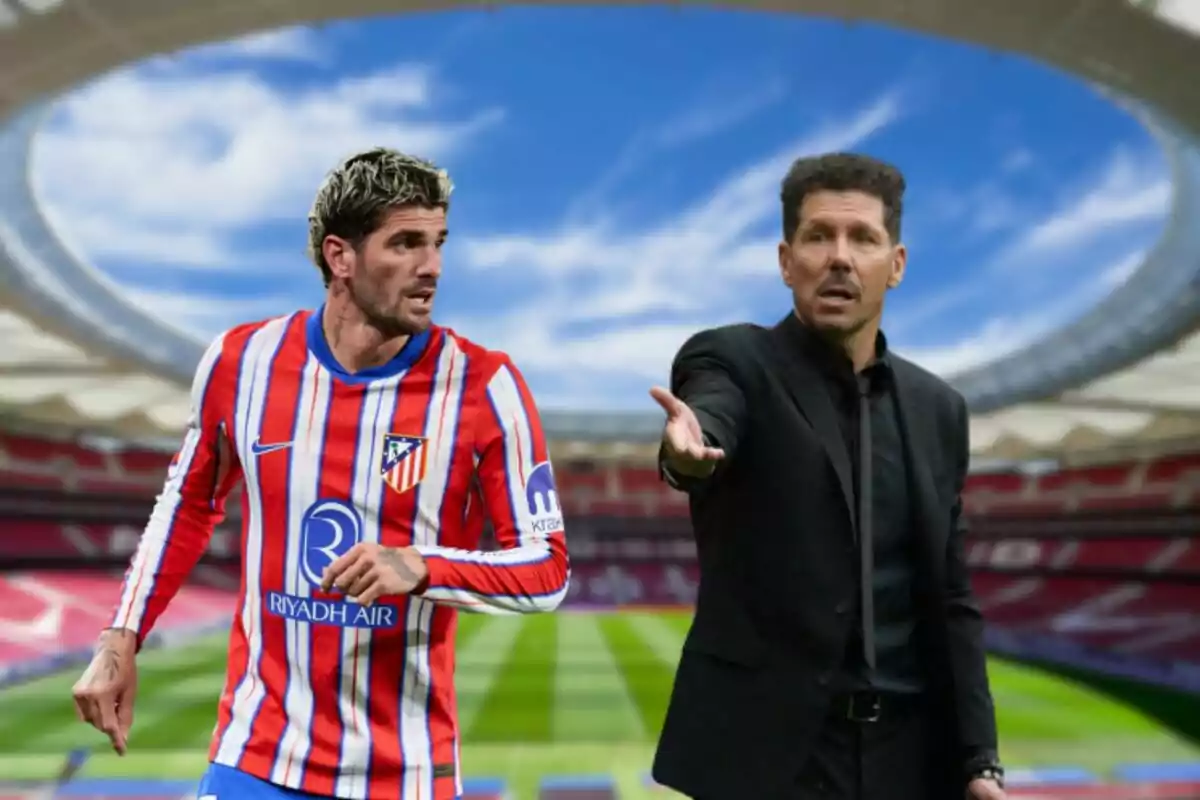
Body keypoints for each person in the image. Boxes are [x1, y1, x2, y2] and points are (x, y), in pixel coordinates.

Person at [70, 147, 571, 800]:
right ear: (341, 257)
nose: (433, 268)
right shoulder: (241, 362)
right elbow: (188, 503)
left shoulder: (485, 386)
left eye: (439, 242)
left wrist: (423, 566)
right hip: (258, 754)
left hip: (401, 773)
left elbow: (547, 568)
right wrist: (121, 638)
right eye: (407, 244)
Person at [648, 152, 1006, 800]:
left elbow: (951, 597)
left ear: (895, 265)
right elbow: (710, 413)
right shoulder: (733, 359)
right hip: (768, 767)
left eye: (863, 237)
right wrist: (686, 454)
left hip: (909, 762)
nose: (840, 257)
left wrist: (979, 760)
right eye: (819, 236)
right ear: (787, 260)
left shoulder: (938, 410)